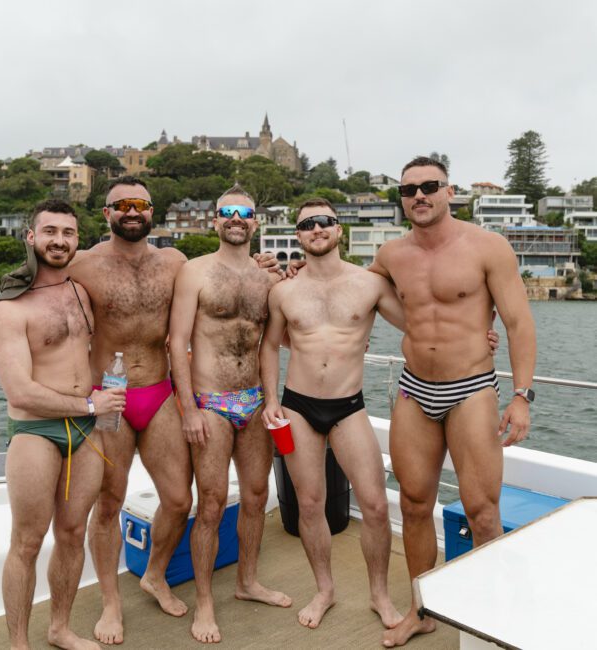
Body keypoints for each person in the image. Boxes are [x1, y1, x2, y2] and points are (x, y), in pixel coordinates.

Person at [259, 198, 500, 633]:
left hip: (349, 406)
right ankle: (325, 589)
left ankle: (379, 595)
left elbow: (422, 324)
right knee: (310, 505)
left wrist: (475, 334)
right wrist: (271, 399)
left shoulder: (368, 284)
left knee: (373, 505)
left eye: (325, 222)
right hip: (297, 405)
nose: (317, 229)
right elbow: (270, 345)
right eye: (308, 224)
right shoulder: (283, 291)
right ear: (298, 234)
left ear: (339, 231)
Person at [68, 176, 281, 645]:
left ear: (152, 212)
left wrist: (266, 266)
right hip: (111, 396)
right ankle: (110, 602)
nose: (131, 210)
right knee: (108, 503)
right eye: (120, 204)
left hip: (161, 391)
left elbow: (231, 284)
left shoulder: (176, 262)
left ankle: (155, 574)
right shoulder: (83, 265)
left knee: (180, 499)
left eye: (140, 204)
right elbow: (43, 289)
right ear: (105, 213)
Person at [368, 157, 536, 648]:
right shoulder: (391, 254)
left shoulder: (487, 246)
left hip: (472, 389)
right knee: (415, 503)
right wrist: (293, 269)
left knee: (482, 510)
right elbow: (350, 284)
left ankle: (492, 614)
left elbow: (519, 324)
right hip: (414, 388)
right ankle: (422, 610)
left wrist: (522, 396)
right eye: (408, 190)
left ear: (449, 191)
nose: (418, 196)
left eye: (428, 186)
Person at [0, 199, 126, 650]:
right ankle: (18, 644)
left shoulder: (81, 293)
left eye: (68, 233)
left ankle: (60, 628)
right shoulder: (9, 309)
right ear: (31, 237)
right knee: (27, 542)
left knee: (71, 535)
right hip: (36, 432)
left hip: (86, 432)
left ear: (76, 240)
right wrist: (90, 405)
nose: (59, 240)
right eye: (49, 231)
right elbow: (21, 392)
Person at [169, 184, 292, 644]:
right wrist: (189, 409)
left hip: (255, 400)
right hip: (211, 401)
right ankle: (204, 601)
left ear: (256, 222)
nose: (236, 218)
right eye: (227, 212)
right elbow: (177, 344)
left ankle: (247, 582)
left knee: (258, 496)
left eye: (245, 212)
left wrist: (273, 398)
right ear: (214, 221)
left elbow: (274, 344)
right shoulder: (194, 272)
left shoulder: (269, 281)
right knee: (213, 503)